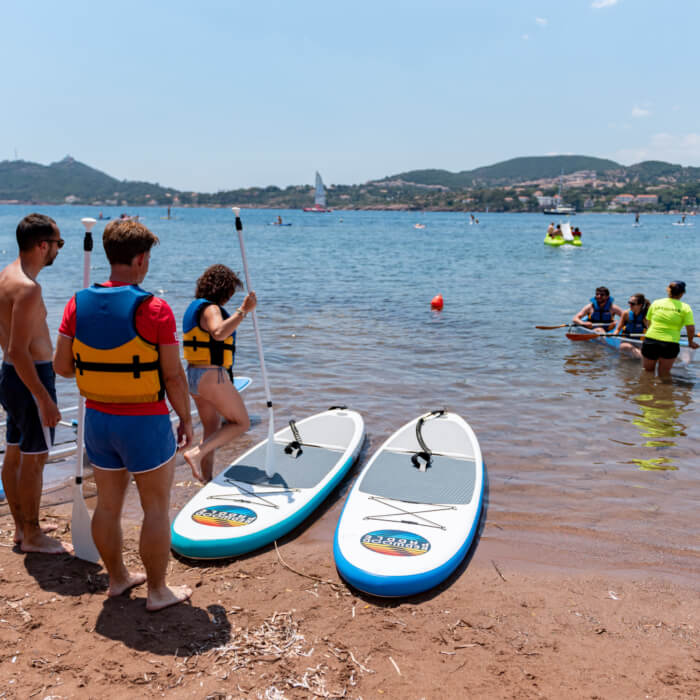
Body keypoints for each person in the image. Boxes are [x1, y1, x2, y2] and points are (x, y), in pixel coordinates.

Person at [53, 219, 193, 611]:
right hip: (144, 423)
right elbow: (173, 376)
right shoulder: (155, 308)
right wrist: (186, 417)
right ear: (142, 259)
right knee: (156, 508)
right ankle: (158, 591)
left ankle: (117, 578)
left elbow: (62, 367)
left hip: (98, 421)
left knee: (108, 506)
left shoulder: (75, 303)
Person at [0, 214, 70, 554]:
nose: (58, 249)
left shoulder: (6, 276)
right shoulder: (29, 288)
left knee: (15, 452)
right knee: (35, 458)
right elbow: (19, 349)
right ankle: (31, 536)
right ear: (43, 245)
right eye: (58, 243)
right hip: (30, 377)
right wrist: (44, 398)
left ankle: (22, 527)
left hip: (11, 377)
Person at [182, 265, 256, 483]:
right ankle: (195, 454)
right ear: (224, 290)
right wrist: (243, 310)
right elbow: (218, 333)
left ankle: (205, 479)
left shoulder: (194, 307)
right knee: (241, 423)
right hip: (211, 376)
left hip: (194, 377)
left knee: (211, 430)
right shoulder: (211, 309)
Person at [641, 281, 698, 377]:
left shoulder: (656, 303)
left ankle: (647, 389)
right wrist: (690, 341)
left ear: (668, 290)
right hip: (669, 344)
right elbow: (690, 328)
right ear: (682, 293)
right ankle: (664, 391)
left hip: (651, 340)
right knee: (664, 375)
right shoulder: (685, 308)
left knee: (647, 372)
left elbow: (648, 321)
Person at [613, 293, 649, 358]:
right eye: (629, 303)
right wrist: (615, 334)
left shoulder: (645, 317)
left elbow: (650, 331)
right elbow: (618, 329)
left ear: (640, 305)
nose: (630, 305)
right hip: (626, 341)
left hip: (639, 342)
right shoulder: (626, 314)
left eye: (632, 304)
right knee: (631, 348)